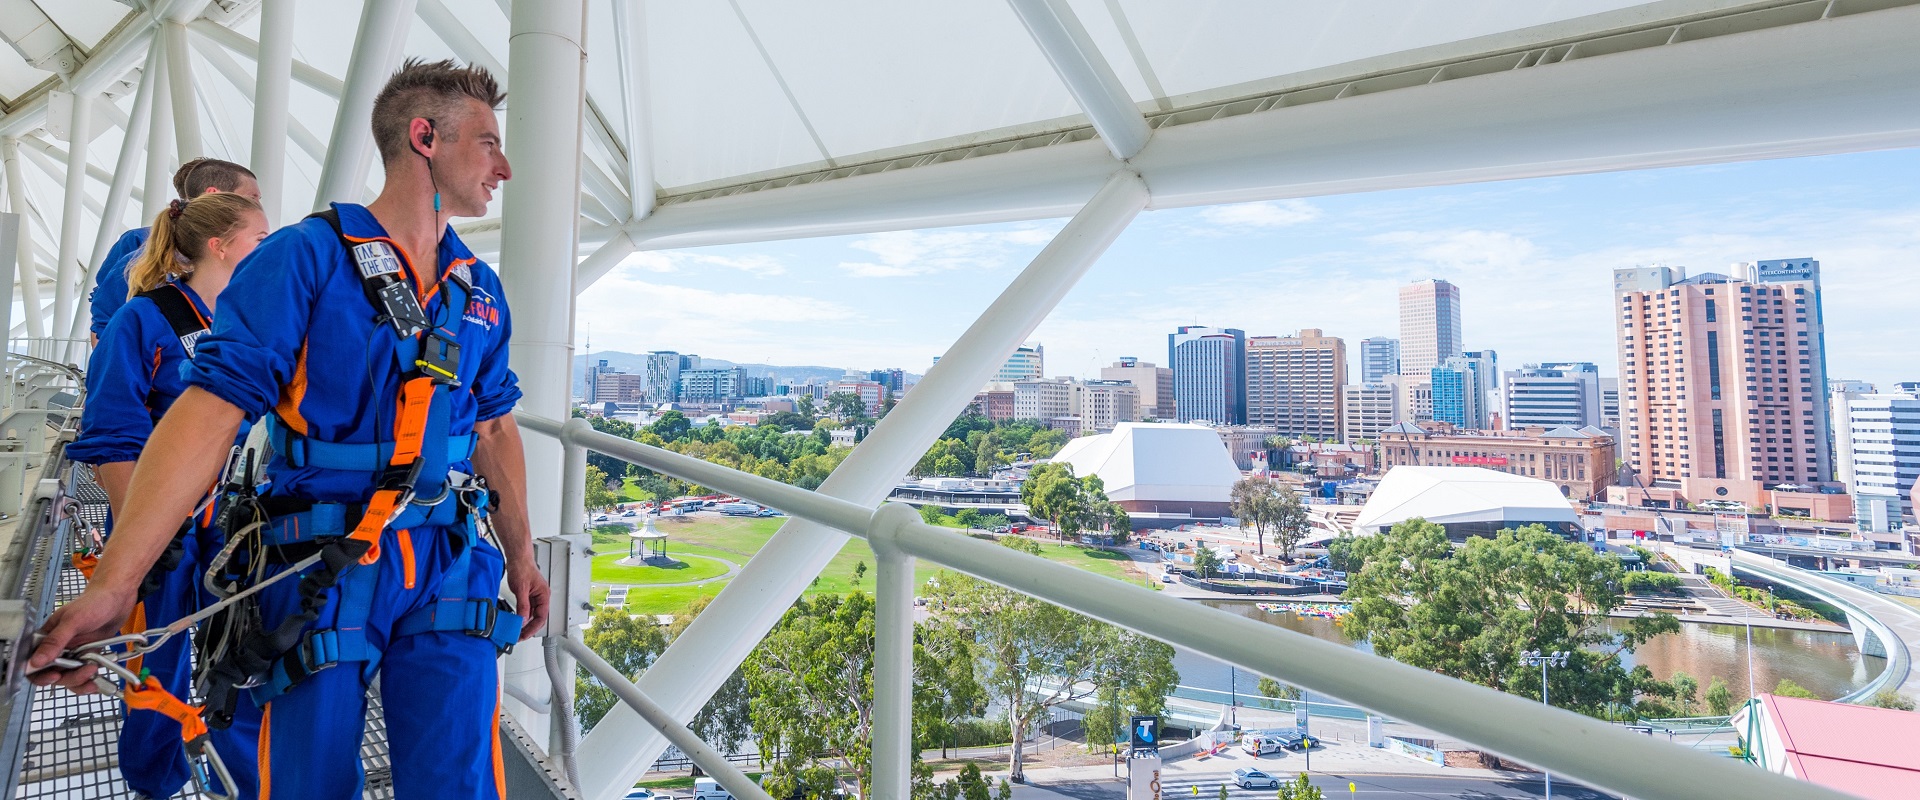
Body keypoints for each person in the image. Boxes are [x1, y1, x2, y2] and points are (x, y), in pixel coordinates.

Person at [31, 58, 549, 800]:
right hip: (317, 565)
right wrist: (116, 584)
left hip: (448, 560)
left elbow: (495, 430)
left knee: (459, 783)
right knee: (305, 782)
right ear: (425, 137)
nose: (503, 166)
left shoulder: (478, 289)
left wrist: (523, 558)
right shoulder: (304, 258)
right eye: (488, 143)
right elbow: (209, 413)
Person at [67, 191, 268, 799]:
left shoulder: (252, 323)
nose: (272, 248)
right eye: (261, 237)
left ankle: (243, 777)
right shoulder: (144, 321)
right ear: (221, 246)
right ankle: (155, 782)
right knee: (158, 654)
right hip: (167, 526)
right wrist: (148, 537)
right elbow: (111, 437)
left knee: (243, 648)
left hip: (235, 520)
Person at [89, 158, 260, 343]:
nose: (257, 206)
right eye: (252, 198)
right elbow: (104, 321)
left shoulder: (240, 264)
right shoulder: (140, 248)